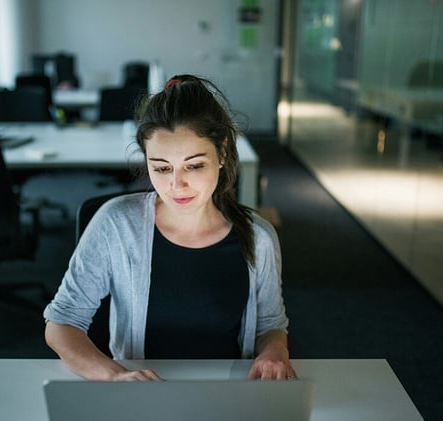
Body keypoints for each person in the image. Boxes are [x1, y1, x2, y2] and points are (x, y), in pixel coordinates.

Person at [43, 74, 294, 381]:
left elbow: (270, 326)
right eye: (161, 168)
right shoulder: (116, 223)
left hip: (227, 394)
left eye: (194, 165)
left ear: (223, 153)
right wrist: (113, 376)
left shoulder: (258, 237)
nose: (177, 185)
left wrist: (273, 351)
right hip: (141, 396)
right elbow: (61, 324)